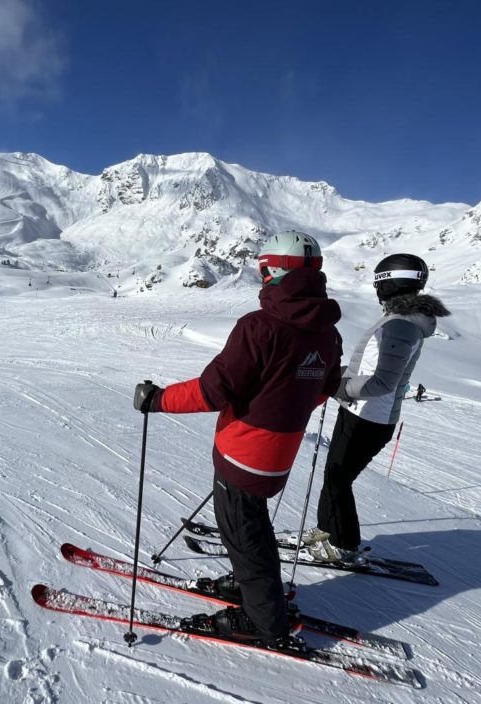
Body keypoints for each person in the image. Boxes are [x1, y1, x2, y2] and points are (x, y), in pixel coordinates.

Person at [133, 231, 343, 646]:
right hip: (279, 454)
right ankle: (251, 587)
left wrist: (157, 400)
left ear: (273, 271)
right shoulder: (328, 333)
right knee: (251, 525)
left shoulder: (259, 327)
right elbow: (323, 389)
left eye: (263, 269)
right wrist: (283, 407)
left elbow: (212, 392)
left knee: (245, 535)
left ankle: (265, 620)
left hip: (242, 453)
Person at [303, 254, 449, 564]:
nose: (375, 288)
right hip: (361, 411)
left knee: (339, 479)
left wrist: (340, 388)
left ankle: (342, 544)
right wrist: (335, 377)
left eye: (378, 282)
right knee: (334, 475)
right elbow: (366, 368)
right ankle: (328, 531)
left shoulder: (401, 325)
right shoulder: (399, 320)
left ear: (391, 284)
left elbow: (383, 381)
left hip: (370, 417)